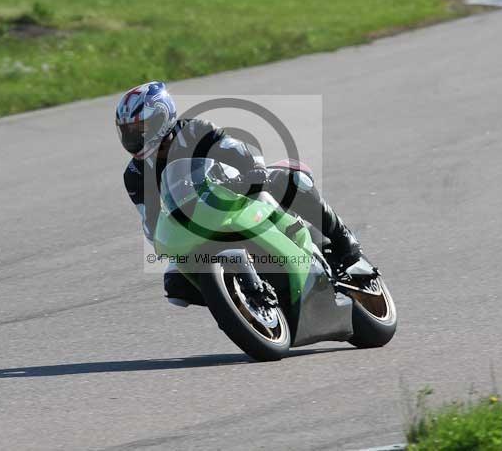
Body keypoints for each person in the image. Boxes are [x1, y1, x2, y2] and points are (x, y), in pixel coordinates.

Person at [116, 81, 368, 306]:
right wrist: (160, 238)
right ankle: (235, 300)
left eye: (140, 129)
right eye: (128, 131)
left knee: (291, 179)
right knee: (175, 286)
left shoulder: (195, 131)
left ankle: (343, 239)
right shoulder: (135, 176)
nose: (134, 137)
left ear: (162, 117)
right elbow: (150, 220)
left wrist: (255, 172)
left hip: (235, 193)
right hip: (193, 224)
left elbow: (241, 152)